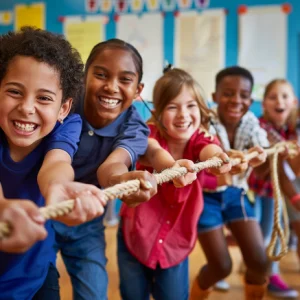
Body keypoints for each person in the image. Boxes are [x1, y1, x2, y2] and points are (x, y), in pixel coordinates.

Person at [53, 39, 194, 299]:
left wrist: (121, 179)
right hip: (44, 206)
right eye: (101, 75)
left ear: (138, 88)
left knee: (94, 292)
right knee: (36, 284)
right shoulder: (64, 105)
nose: (111, 87)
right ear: (85, 77)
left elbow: (113, 165)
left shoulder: (134, 127)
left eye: (125, 79)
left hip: (87, 218)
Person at [0, 27, 108, 300]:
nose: (27, 107)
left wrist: (60, 187)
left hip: (33, 273)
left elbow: (56, 163)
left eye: (44, 98)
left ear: (63, 108)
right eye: (14, 91)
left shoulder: (68, 125)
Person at [117, 67, 232, 300]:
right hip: (136, 234)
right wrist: (170, 166)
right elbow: (153, 150)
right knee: (132, 295)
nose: (183, 114)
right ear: (157, 112)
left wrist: (217, 156)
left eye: (190, 106)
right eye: (172, 106)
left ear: (200, 109)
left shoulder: (201, 137)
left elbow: (209, 148)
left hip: (175, 240)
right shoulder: (149, 134)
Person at [191, 66, 269, 300]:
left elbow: (263, 163)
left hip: (236, 193)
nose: (236, 100)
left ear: (251, 100)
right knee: (221, 266)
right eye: (228, 93)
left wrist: (265, 155)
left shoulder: (251, 122)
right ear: (214, 97)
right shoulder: (204, 121)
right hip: (206, 196)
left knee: (259, 262)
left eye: (244, 95)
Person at [249, 79, 299, 298]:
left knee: (274, 231)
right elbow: (275, 168)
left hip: (275, 191)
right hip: (257, 189)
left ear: (294, 102)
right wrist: (295, 198)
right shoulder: (262, 128)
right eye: (273, 97)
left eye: (285, 96)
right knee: (263, 232)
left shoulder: (292, 130)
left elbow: (294, 169)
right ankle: (264, 272)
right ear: (264, 105)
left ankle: (270, 273)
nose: (279, 101)